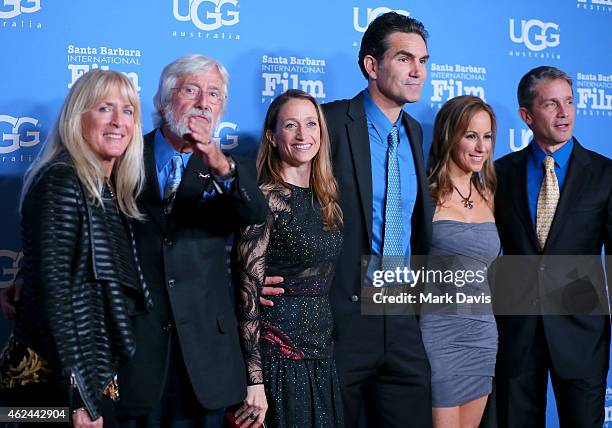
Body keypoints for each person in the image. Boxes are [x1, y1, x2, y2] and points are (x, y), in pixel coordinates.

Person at [261, 12, 434, 427]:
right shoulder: (328, 123)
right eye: (405, 59)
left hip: (402, 315)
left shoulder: (415, 132)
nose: (417, 71)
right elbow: (278, 199)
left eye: (424, 61)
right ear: (371, 66)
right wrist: (257, 271)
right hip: (337, 321)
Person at [113, 54, 268, 428]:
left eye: (213, 94)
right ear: (165, 100)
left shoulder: (230, 170)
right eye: (192, 90)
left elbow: (255, 215)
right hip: (136, 353)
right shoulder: (123, 154)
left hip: (206, 362)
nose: (203, 102)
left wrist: (219, 164)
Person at [0, 68, 150, 428]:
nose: (118, 122)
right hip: (55, 389)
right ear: (77, 117)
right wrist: (79, 399)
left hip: (85, 379)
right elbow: (56, 298)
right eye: (104, 108)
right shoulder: (62, 180)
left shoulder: (104, 187)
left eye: (128, 111)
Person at [494, 65, 612, 427]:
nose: (564, 113)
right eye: (551, 104)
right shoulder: (499, 173)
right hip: (516, 334)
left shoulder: (605, 174)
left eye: (570, 102)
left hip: (581, 336)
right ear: (526, 116)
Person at [233, 89, 344, 428]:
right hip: (279, 356)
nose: (303, 135)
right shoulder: (265, 198)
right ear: (272, 135)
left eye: (311, 124)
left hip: (321, 354)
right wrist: (255, 380)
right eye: (291, 125)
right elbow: (247, 294)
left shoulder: (327, 197)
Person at [421, 95, 499, 428]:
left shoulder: (490, 193)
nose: (481, 146)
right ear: (449, 136)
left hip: (482, 333)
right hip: (436, 334)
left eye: (487, 136)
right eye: (471, 135)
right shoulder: (425, 194)